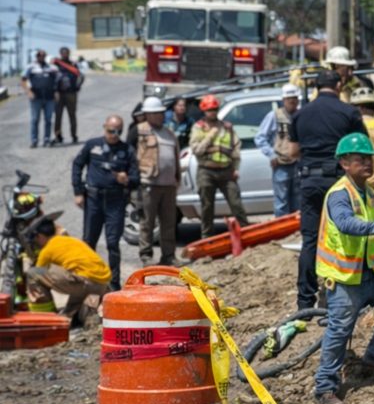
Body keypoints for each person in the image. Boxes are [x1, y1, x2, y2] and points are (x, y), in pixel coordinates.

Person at [313, 133, 374, 404]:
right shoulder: (339, 194)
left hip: (372, 272)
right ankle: (325, 388)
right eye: (360, 159)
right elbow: (345, 224)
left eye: (370, 159)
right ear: (344, 163)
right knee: (340, 330)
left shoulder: (371, 195)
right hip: (345, 277)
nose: (368, 163)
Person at [288, 70, 367, 310]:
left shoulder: (300, 115)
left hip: (310, 181)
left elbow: (293, 152)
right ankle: (344, 295)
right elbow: (361, 149)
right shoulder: (349, 112)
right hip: (338, 183)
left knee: (310, 239)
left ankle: (305, 303)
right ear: (339, 84)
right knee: (344, 236)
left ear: (316, 86)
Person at [72, 115, 139, 290]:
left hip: (115, 200)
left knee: (112, 243)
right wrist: (78, 192)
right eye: (111, 131)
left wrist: (127, 180)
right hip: (93, 198)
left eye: (118, 131)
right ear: (104, 127)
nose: (114, 135)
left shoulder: (127, 150)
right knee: (88, 241)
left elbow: (136, 178)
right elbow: (77, 165)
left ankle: (114, 283)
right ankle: (87, 279)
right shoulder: (92, 145)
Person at [26, 219, 111, 327]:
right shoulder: (71, 240)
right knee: (68, 316)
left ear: (40, 236)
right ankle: (84, 314)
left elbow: (38, 272)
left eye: (35, 239)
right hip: (102, 284)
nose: (36, 243)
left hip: (85, 283)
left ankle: (44, 316)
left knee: (34, 273)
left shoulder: (47, 250)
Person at [190, 94, 248, 239]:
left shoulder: (227, 127)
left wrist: (235, 168)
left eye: (215, 109)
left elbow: (236, 149)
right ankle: (207, 238)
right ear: (204, 111)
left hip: (226, 170)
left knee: (236, 204)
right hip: (206, 170)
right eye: (210, 110)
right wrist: (211, 134)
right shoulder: (199, 128)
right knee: (207, 207)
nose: (213, 112)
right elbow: (196, 150)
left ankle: (247, 234)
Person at [134, 96, 181, 267]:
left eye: (161, 113)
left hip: (168, 185)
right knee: (147, 222)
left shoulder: (169, 133)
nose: (160, 116)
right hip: (149, 184)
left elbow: (175, 157)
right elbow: (131, 156)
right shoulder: (139, 131)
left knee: (169, 222)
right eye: (156, 113)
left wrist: (177, 179)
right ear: (147, 114)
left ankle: (168, 255)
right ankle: (146, 256)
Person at [255, 83, 303, 216]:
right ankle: (283, 232)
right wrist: (271, 155)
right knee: (281, 202)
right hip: (281, 164)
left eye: (294, 98)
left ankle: (296, 232)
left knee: (298, 201)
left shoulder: (301, 115)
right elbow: (260, 138)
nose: (292, 101)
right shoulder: (274, 116)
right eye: (289, 99)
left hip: (298, 164)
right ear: (284, 100)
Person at [22, 49, 59, 149]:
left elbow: (56, 81)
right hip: (36, 98)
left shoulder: (51, 68)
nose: (41, 57)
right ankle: (34, 141)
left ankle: (46, 139)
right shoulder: (30, 67)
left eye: (43, 55)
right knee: (35, 120)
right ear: (36, 56)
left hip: (49, 98)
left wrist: (56, 93)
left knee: (48, 120)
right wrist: (28, 92)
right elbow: (23, 80)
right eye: (39, 55)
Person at [52, 47, 84, 145]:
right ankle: (58, 136)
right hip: (59, 94)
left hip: (71, 93)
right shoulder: (55, 64)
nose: (65, 54)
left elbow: (81, 76)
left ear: (69, 54)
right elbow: (51, 77)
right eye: (63, 53)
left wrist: (78, 86)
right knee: (58, 116)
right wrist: (54, 91)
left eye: (66, 53)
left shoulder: (73, 64)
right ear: (60, 54)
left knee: (72, 116)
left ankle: (74, 136)